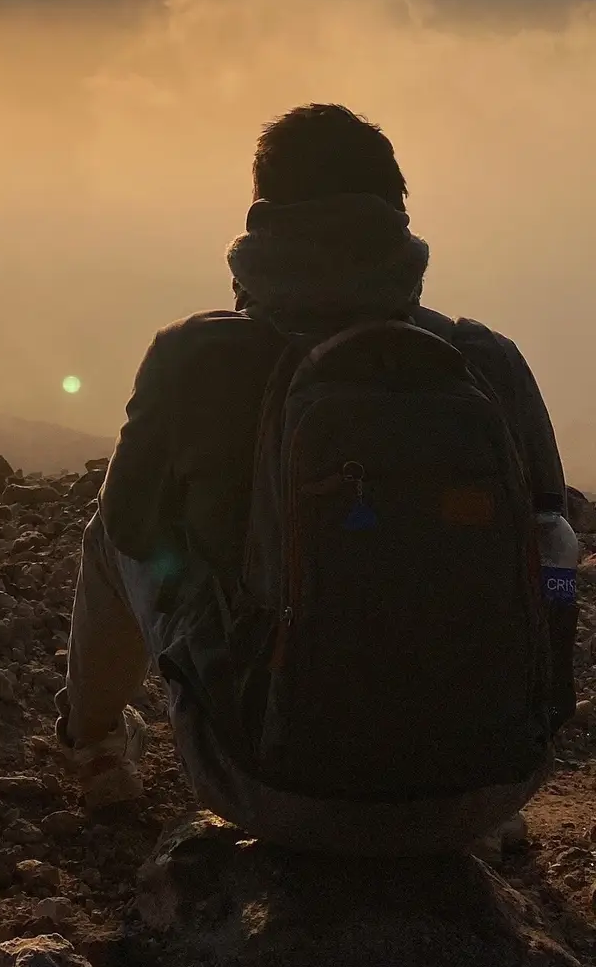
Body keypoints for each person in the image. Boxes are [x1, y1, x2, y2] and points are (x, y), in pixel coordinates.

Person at [57, 103, 575, 853]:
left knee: (111, 528)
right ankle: (457, 765)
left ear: (262, 218)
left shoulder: (193, 356)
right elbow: (553, 548)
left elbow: (136, 528)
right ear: (399, 219)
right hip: (492, 780)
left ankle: (93, 746)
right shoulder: (486, 360)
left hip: (276, 783)